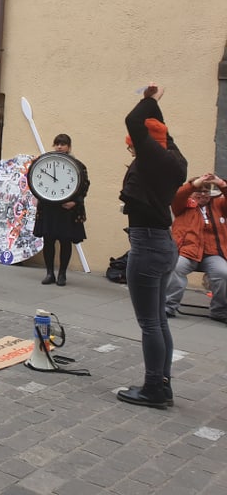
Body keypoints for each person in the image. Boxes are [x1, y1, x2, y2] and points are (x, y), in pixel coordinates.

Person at [117, 83, 187, 409]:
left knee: (149, 323)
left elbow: (134, 122)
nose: (132, 151)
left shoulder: (152, 158)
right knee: (159, 320)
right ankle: (163, 384)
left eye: (133, 147)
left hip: (146, 245)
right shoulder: (174, 158)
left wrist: (150, 100)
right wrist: (158, 113)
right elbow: (158, 132)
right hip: (163, 243)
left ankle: (152, 389)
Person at [165, 173, 227, 323]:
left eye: (206, 191)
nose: (202, 194)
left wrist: (221, 184)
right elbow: (178, 195)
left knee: (223, 273)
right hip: (188, 251)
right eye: (198, 191)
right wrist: (194, 184)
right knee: (176, 268)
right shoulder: (182, 205)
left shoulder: (219, 205)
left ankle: (219, 310)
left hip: (213, 253)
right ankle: (168, 306)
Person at [33, 134, 90, 286]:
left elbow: (84, 186)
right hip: (49, 208)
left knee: (65, 242)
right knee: (48, 241)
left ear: (69, 147)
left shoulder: (78, 165)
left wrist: (75, 202)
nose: (59, 147)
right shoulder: (45, 162)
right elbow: (36, 181)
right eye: (57, 144)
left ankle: (62, 274)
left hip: (67, 210)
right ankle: (49, 273)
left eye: (63, 144)